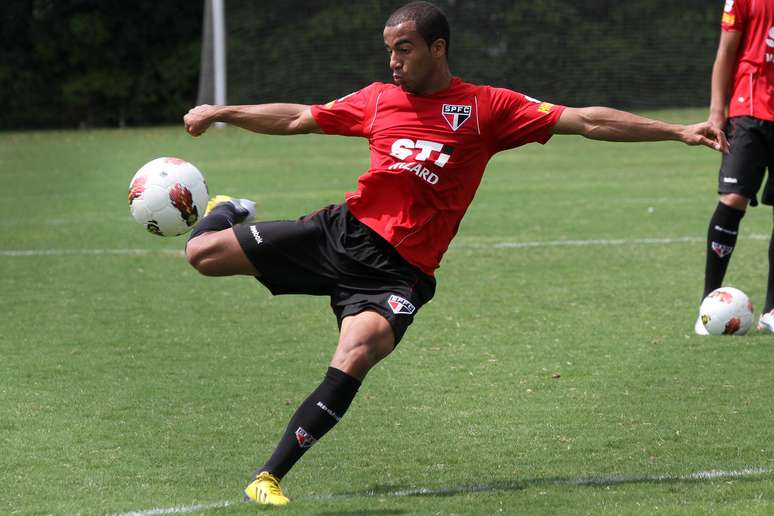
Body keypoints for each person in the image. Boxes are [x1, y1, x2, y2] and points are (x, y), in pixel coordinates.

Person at [183, 1, 727, 506]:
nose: (394, 61)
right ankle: (227, 207)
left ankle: (268, 476)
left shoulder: (487, 107)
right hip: (341, 234)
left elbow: (586, 120)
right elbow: (300, 117)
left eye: (405, 49)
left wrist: (678, 130)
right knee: (201, 254)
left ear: (437, 48)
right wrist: (222, 111)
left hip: (399, 273)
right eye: (389, 50)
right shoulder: (376, 99)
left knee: (358, 352)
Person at [695, 0, 774, 335]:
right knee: (732, 199)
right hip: (749, 110)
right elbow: (725, 52)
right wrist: (717, 112)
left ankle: (772, 311)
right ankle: (706, 306)